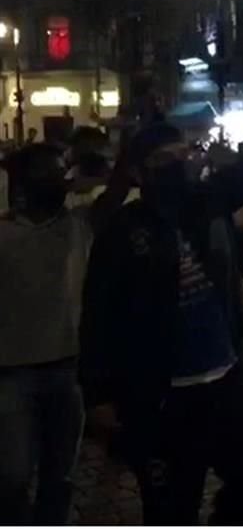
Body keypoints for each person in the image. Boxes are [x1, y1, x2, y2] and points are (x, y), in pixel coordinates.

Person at [79, 52, 243, 524]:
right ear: (142, 171)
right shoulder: (123, 230)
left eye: (182, 154)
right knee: (171, 507)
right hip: (160, 396)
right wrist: (98, 395)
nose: (179, 163)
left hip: (224, 378)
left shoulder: (206, 201)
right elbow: (98, 312)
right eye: (164, 159)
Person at [0, 142, 128, 524]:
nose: (61, 178)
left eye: (62, 170)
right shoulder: (3, 233)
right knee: (12, 476)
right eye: (50, 172)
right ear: (22, 185)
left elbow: (118, 184)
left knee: (61, 476)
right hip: (10, 373)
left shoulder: (79, 225)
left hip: (68, 370)